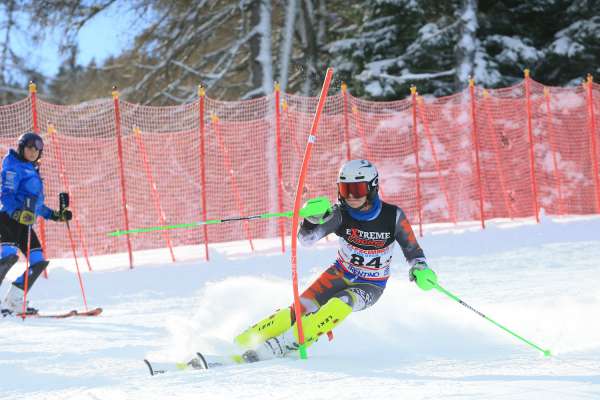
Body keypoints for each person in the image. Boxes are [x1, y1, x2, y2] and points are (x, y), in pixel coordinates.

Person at [233, 159, 437, 362]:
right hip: (338, 274)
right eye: (345, 189)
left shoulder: (392, 216)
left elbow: (412, 249)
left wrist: (420, 268)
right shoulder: (339, 214)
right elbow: (306, 240)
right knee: (297, 311)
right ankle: (241, 343)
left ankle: (286, 344)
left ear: (373, 187)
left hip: (370, 285)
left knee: (340, 304)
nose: (350, 196)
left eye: (357, 190)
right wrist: (310, 221)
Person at [0, 132, 72, 316]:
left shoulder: (32, 170)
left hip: (25, 224)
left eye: (37, 149)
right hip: (8, 220)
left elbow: (36, 205)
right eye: (30, 148)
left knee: (38, 262)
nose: (33, 152)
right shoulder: (12, 165)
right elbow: (6, 195)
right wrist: (15, 212)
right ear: (22, 148)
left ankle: (13, 301)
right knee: (7, 258)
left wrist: (55, 215)